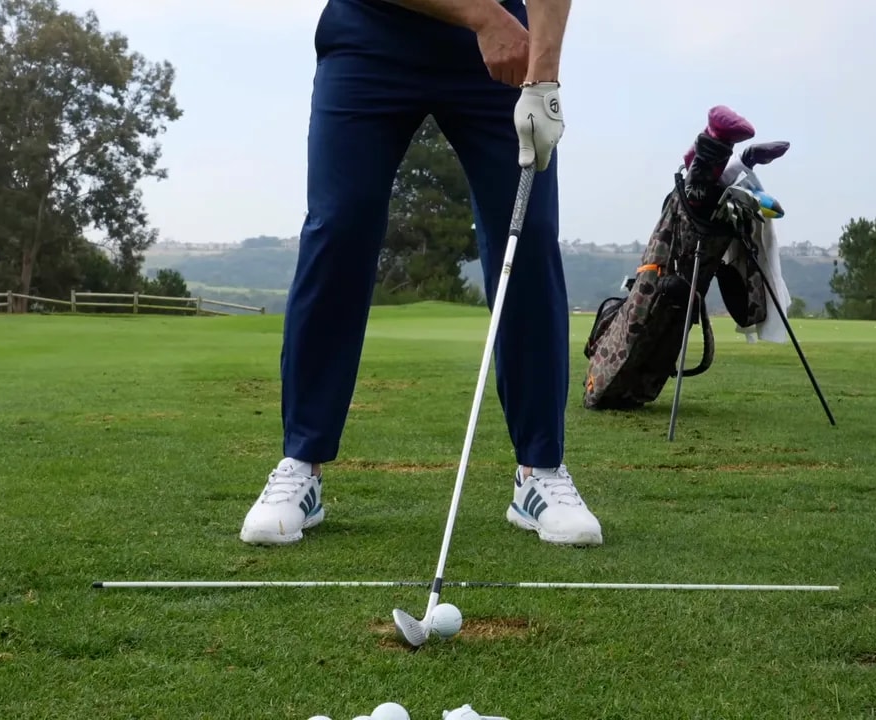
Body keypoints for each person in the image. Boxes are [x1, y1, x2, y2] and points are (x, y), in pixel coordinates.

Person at [239, 0, 604, 547]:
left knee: (526, 237)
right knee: (339, 227)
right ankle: (302, 465)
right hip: (373, 36)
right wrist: (483, 17)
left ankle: (539, 473)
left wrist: (544, 78)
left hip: (502, 48)